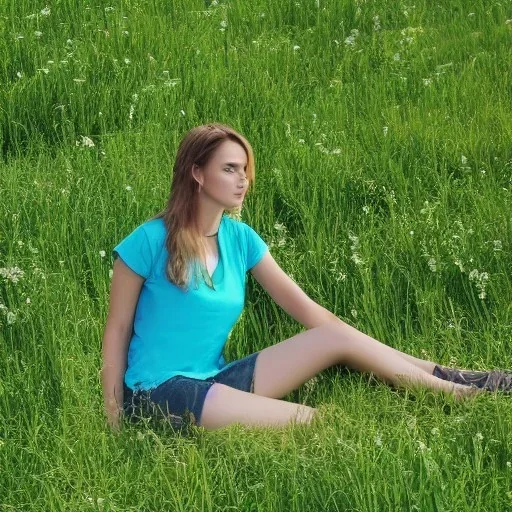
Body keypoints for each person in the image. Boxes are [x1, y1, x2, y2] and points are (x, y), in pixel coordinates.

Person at [101, 123, 511, 434]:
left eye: (244, 168)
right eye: (229, 168)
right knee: (310, 421)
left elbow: (312, 314)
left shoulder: (240, 239)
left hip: (216, 378)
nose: (243, 179)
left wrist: (382, 354)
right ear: (197, 174)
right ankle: (457, 394)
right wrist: (113, 415)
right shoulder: (150, 240)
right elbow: (117, 330)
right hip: (156, 392)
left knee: (334, 334)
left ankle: (450, 380)